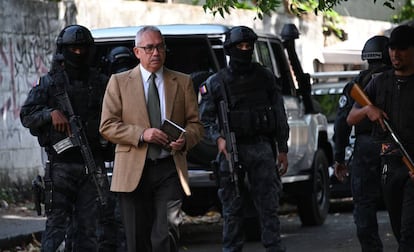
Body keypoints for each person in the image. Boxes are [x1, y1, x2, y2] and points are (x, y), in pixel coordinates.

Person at [99, 25, 204, 252]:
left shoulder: (182, 82)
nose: (155, 53)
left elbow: (196, 125)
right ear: (137, 52)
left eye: (159, 47)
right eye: (149, 48)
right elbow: (107, 126)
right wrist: (141, 134)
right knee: (137, 240)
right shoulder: (118, 82)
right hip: (133, 170)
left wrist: (185, 139)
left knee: (166, 235)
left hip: (169, 168)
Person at [20, 24, 111, 251]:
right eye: (73, 49)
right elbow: (26, 115)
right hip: (61, 168)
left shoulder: (101, 82)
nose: (78, 53)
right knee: (56, 229)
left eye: (82, 48)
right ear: (64, 49)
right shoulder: (50, 83)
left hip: (93, 165)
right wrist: (50, 114)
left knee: (90, 229)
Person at [198, 26, 289, 252]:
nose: (245, 50)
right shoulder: (216, 82)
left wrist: (282, 148)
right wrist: (219, 139)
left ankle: (274, 248)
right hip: (231, 149)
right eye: (241, 46)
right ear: (230, 49)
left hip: (261, 148)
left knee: (268, 206)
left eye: (249, 46)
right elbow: (206, 119)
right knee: (232, 208)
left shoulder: (265, 77)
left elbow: (279, 115)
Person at [347, 24, 414, 251]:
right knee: (398, 228)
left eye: (403, 48)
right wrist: (368, 110)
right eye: (393, 48)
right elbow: (351, 118)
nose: (396, 54)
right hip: (390, 166)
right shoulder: (379, 81)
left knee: (408, 234)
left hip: (411, 167)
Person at [333, 35, 391, 252]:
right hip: (393, 147)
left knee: (364, 205)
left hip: (366, 148)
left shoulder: (356, 85)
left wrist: (339, 158)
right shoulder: (400, 80)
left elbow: (341, 124)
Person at [96, 46, 137, 252]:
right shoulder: (102, 87)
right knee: (105, 218)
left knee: (125, 220)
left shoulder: (141, 88)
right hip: (102, 161)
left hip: (130, 161)